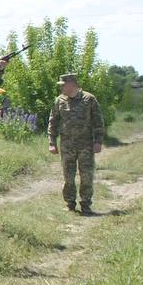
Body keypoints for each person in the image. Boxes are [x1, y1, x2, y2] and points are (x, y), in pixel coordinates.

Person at [48, 73, 105, 215]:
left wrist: (98, 141)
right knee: (68, 176)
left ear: (72, 84)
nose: (61, 88)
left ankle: (86, 205)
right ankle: (70, 204)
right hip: (67, 145)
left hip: (86, 144)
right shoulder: (59, 100)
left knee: (86, 176)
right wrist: (52, 142)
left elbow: (98, 121)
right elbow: (53, 122)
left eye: (63, 85)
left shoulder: (89, 99)